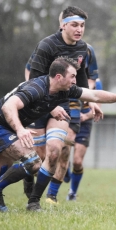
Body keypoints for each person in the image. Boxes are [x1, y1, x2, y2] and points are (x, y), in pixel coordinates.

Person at [0, 57, 116, 212]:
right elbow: (8, 106)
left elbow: (94, 94)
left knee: (0, 170)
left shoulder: (64, 90)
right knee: (33, 162)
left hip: (5, 128)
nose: (75, 80)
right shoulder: (36, 88)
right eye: (72, 76)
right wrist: (20, 129)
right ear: (59, 77)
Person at [24, 6, 103, 211]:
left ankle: (38, 200)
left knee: (55, 152)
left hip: (64, 105)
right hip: (39, 104)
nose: (79, 29)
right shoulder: (46, 45)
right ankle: (28, 180)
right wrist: (49, 108)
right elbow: (33, 80)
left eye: (82, 25)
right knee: (38, 160)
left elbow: (83, 81)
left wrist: (92, 102)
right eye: (75, 25)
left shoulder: (83, 48)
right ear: (63, 25)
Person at [45, 46, 101, 204]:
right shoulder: (67, 82)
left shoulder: (97, 84)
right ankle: (56, 186)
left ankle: (70, 193)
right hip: (71, 115)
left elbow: (98, 109)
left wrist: (86, 115)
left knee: (77, 161)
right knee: (60, 151)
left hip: (85, 121)